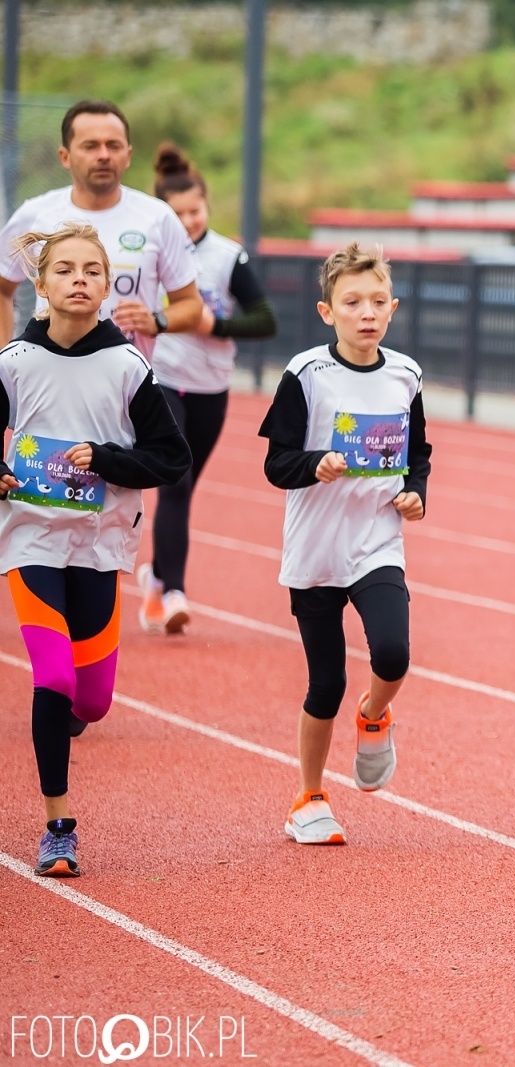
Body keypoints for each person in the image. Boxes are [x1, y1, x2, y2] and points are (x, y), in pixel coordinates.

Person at [0, 223, 191, 876]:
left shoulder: (127, 367)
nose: (78, 280)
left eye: (91, 270)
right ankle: (58, 825)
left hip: (100, 545)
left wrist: (108, 460)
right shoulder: (14, 363)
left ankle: (71, 714)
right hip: (31, 537)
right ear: (41, 284)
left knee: (92, 701)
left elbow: (171, 457)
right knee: (53, 678)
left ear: (108, 287)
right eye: (64, 269)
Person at [257, 242, 430, 846]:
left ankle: (374, 713)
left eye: (378, 301)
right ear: (327, 311)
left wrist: (415, 492)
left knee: (393, 653)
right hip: (316, 550)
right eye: (353, 302)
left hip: (376, 540)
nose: (367, 313)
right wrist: (316, 463)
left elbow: (417, 454)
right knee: (325, 682)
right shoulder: (307, 375)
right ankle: (309, 797)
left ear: (393, 307)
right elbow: (276, 463)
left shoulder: (405, 375)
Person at [135, 143, 278, 635]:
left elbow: (266, 319)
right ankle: (174, 591)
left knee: (185, 487)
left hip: (211, 387)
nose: (188, 221)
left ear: (207, 207)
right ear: (162, 215)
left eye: (195, 211)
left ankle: (156, 575)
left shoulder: (227, 256)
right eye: (177, 214)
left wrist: (214, 324)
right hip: (162, 380)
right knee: (175, 480)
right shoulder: (148, 254)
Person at [0, 101, 203, 356]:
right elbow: (2, 288)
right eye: (91, 146)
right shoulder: (35, 214)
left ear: (128, 155)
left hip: (125, 377)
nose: (104, 155)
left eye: (113, 145)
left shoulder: (158, 217)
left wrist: (157, 320)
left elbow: (191, 305)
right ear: (65, 156)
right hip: (47, 373)